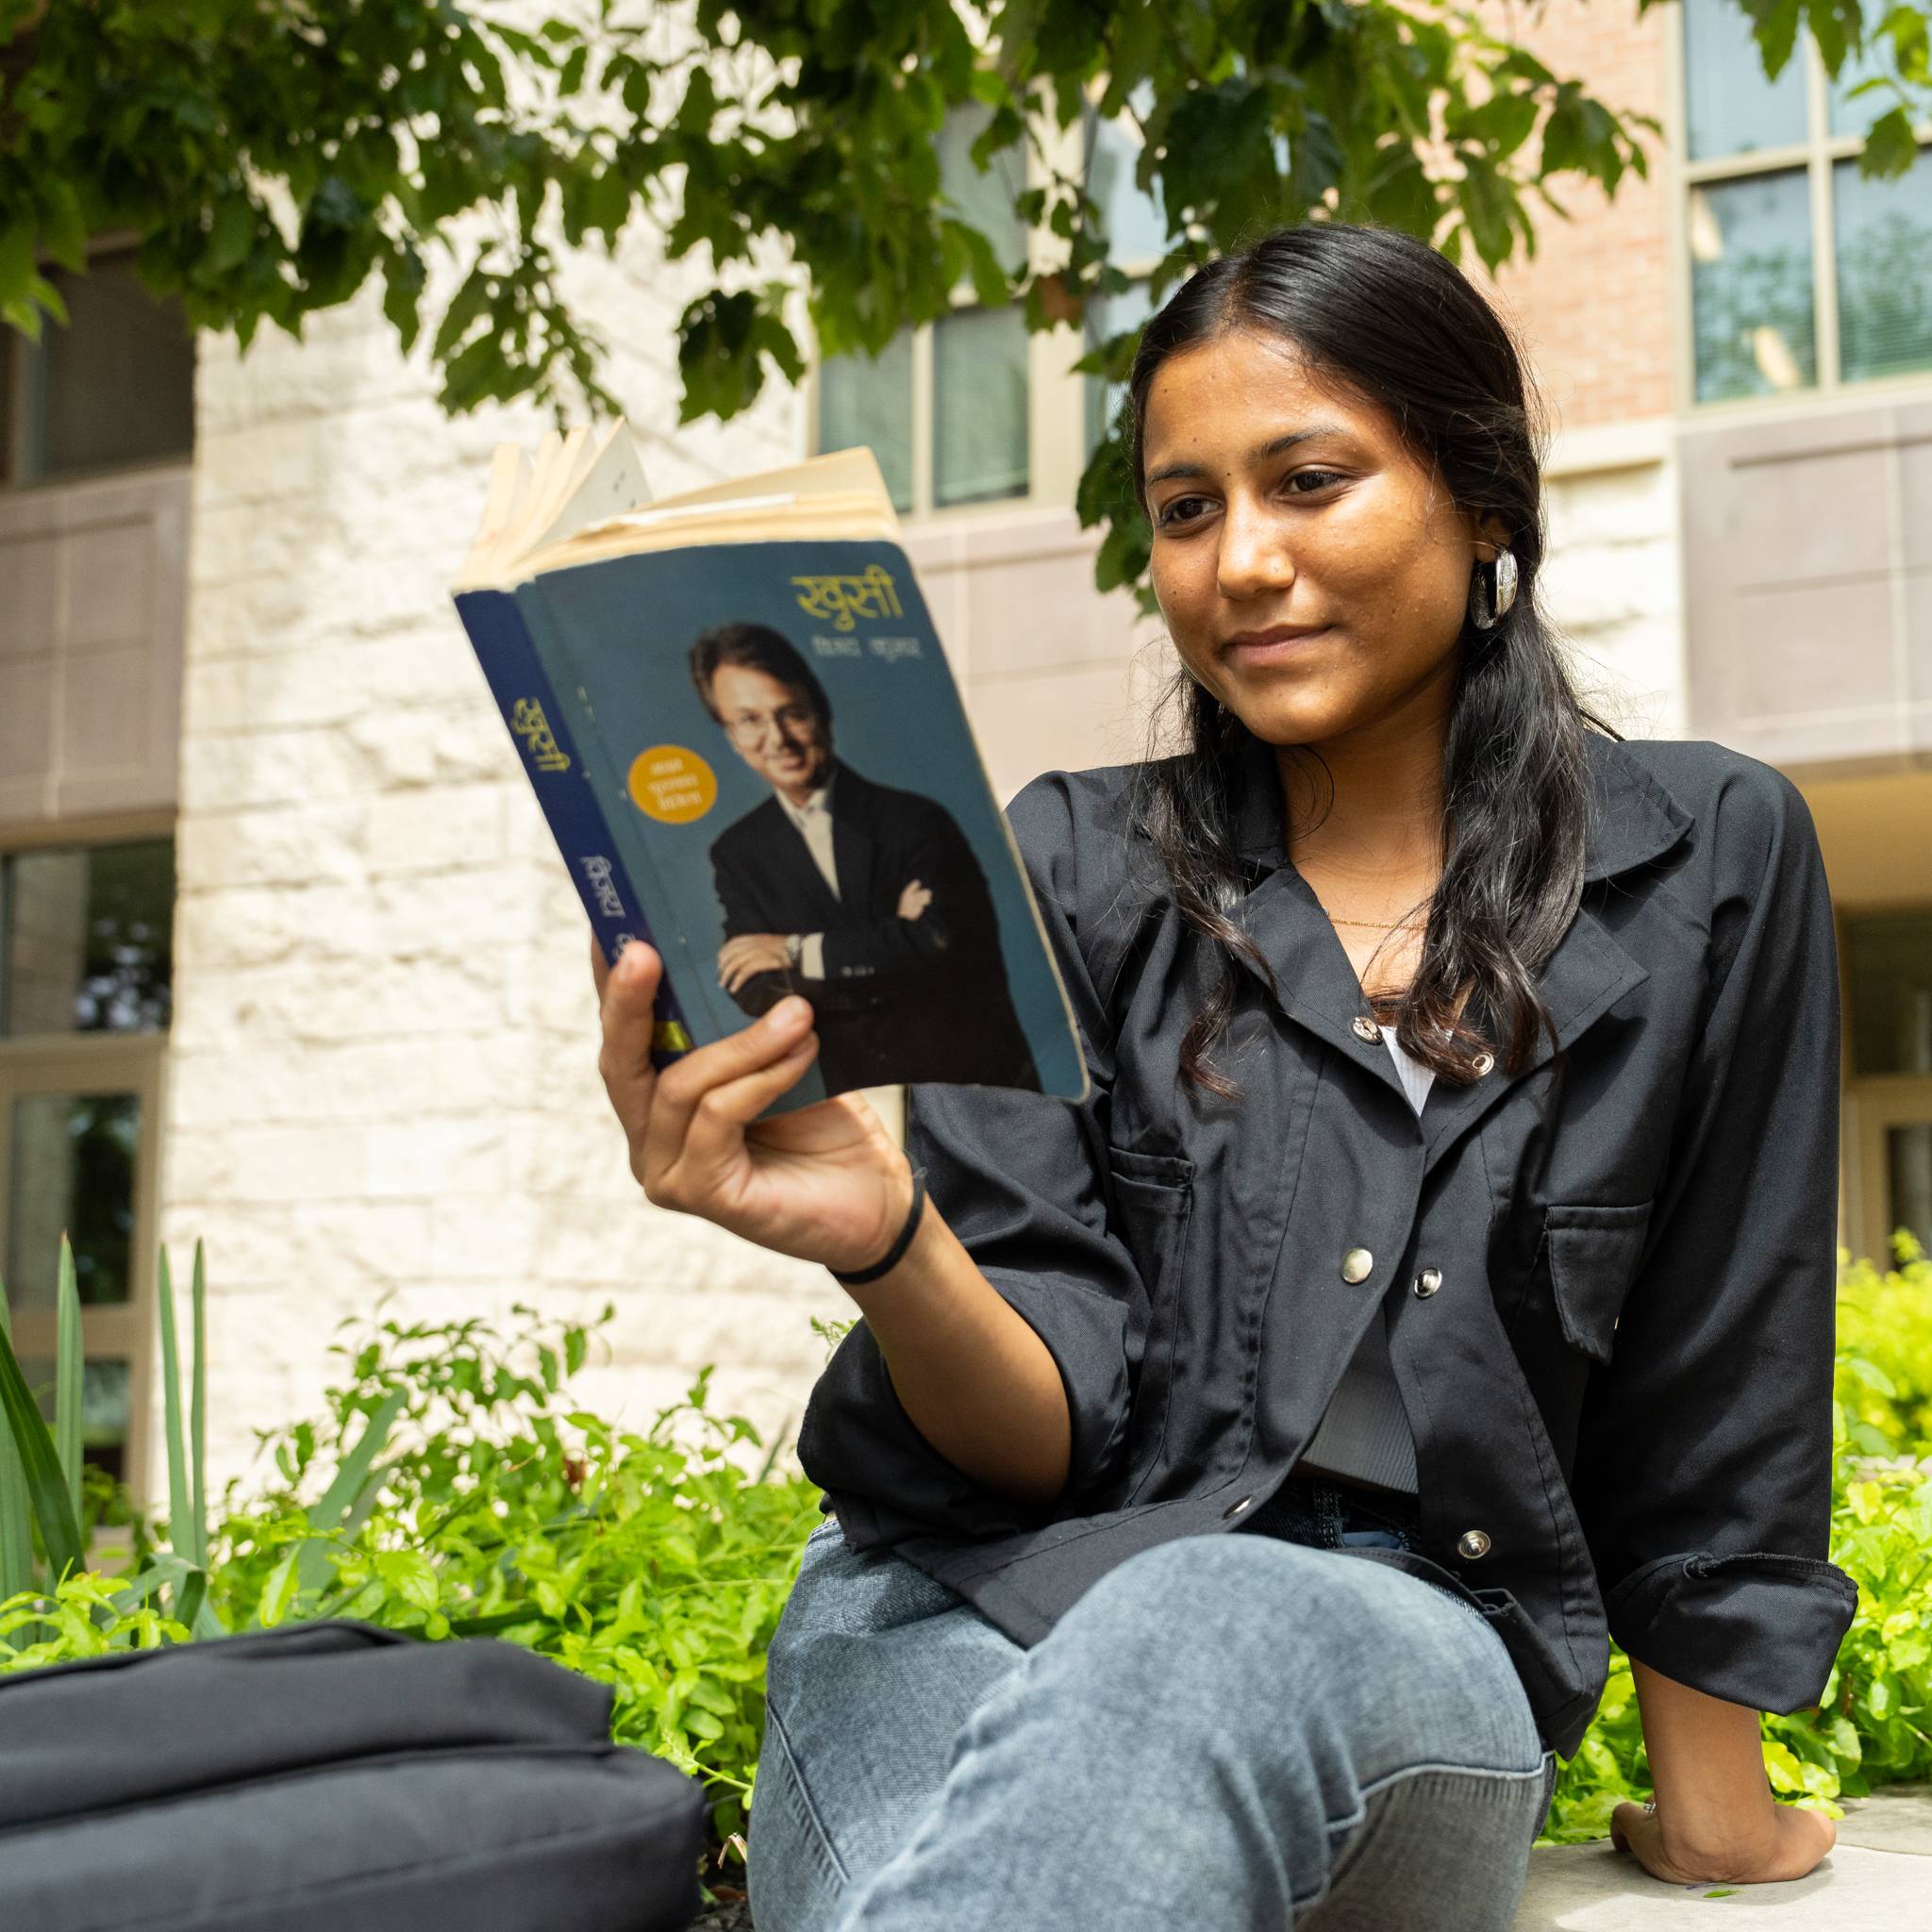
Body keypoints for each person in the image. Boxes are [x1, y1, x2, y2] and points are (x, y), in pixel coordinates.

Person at [592, 223, 1857, 1930]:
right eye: (1184, 509)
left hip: (1397, 1636)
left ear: (1482, 499)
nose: (1238, 561)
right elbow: (1044, 1423)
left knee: (1200, 1612)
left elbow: (1718, 1370)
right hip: (961, 1596)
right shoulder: (1060, 861)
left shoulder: (1705, 855)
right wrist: (886, 1237)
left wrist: (1715, 1807)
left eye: (1307, 481)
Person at [691, 621, 1040, 1093]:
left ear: (821, 712)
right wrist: (890, 942)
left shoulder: (916, 821)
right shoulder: (736, 852)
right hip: (847, 1099)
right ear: (730, 736)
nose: (777, 738)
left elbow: (943, 943)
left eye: (791, 713)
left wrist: (793, 951)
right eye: (750, 720)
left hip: (974, 1094)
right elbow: (752, 987)